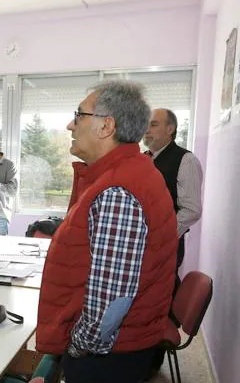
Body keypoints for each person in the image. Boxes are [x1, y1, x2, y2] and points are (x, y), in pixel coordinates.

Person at [36, 81, 178, 383]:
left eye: (79, 115)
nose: (70, 125)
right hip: (122, 349)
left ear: (105, 126)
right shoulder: (128, 173)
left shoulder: (118, 190)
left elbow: (111, 301)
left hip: (105, 358)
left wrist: (77, 347)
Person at [143, 108, 204, 379]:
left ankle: (151, 362)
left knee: (157, 300)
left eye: (154, 125)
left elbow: (191, 209)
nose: (147, 129)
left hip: (165, 246)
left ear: (171, 129)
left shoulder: (185, 160)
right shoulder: (145, 159)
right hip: (141, 245)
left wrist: (163, 235)